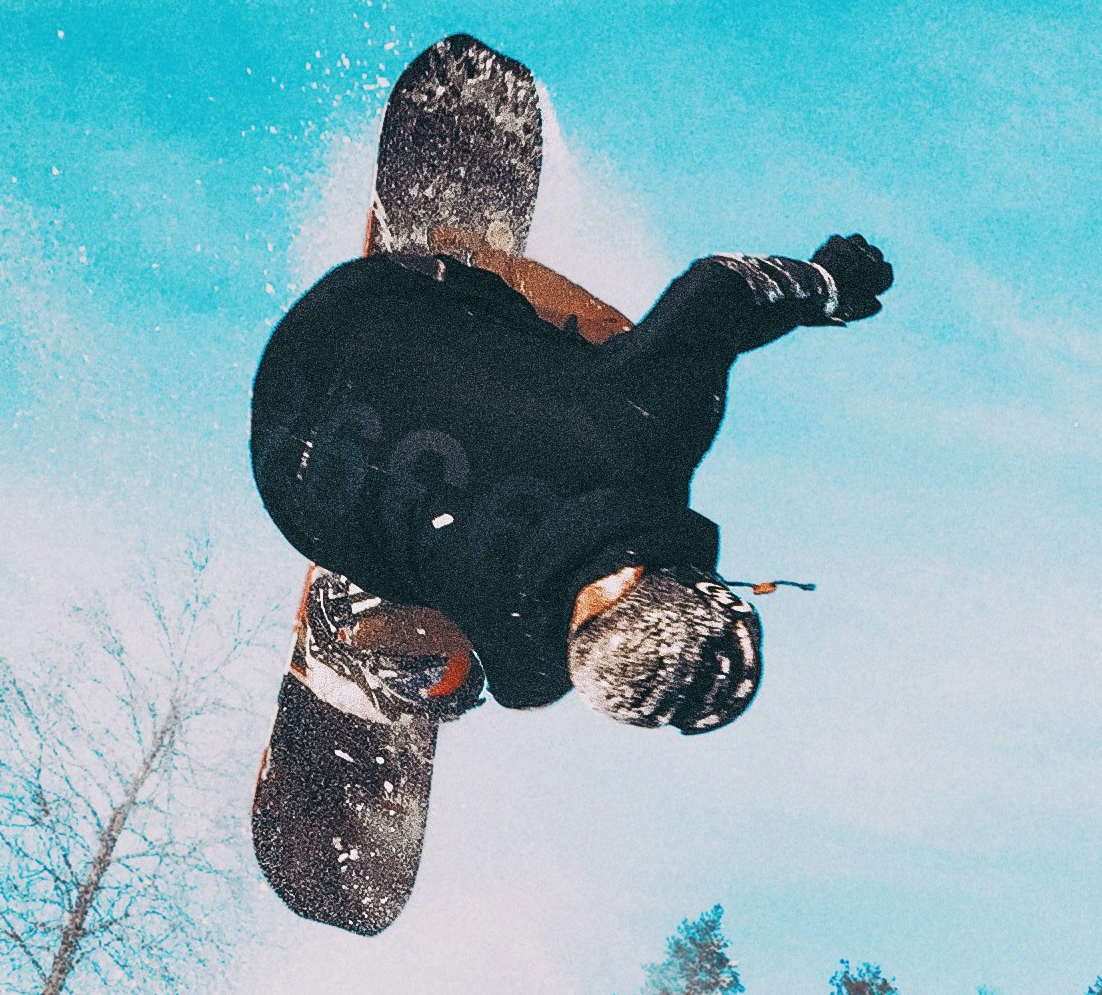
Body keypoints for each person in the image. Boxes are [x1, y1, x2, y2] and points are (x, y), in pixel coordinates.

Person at [249, 231, 894, 740]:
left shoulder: (651, 434)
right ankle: (375, 644)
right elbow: (525, 676)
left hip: (344, 321)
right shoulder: (527, 667)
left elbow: (718, 290)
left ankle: (457, 250)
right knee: (464, 652)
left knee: (619, 344)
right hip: (289, 471)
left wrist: (825, 285)